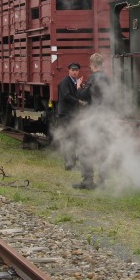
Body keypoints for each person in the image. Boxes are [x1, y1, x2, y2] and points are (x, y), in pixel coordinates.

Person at [72, 52, 112, 189]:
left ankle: (88, 180)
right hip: (106, 118)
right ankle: (102, 182)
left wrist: (78, 87)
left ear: (92, 64)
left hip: (94, 118)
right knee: (103, 150)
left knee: (85, 148)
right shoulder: (107, 79)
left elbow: (83, 96)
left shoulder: (93, 78)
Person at [57, 62, 86, 171]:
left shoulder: (76, 82)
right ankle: (68, 164)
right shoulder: (65, 82)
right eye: (73, 70)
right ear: (69, 71)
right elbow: (66, 96)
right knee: (68, 138)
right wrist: (79, 101)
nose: (74, 72)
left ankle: (72, 162)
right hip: (65, 114)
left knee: (74, 139)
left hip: (73, 115)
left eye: (76, 70)